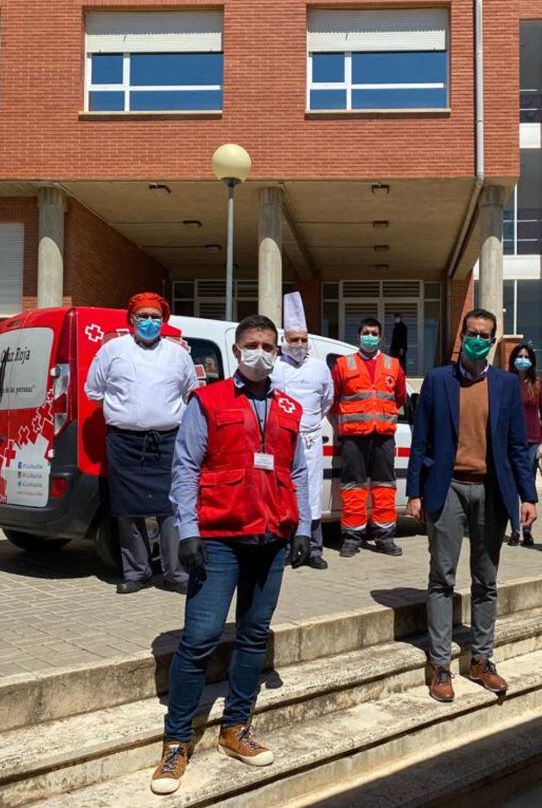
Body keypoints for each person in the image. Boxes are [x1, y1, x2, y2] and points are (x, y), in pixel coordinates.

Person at [152, 314, 311, 795]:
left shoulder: (288, 407)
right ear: (237, 350)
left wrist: (303, 528)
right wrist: (188, 530)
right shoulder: (208, 400)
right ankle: (177, 740)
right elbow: (185, 466)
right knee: (199, 638)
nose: (260, 352)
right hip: (218, 538)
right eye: (251, 344)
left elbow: (298, 472)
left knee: (254, 634)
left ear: (277, 351)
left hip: (272, 538)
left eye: (268, 345)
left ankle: (235, 727)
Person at [407, 309, 538, 702]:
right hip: (447, 487)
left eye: (486, 335)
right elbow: (421, 441)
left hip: (492, 491)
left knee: (486, 580)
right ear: (461, 337)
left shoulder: (505, 385)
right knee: (441, 577)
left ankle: (481, 659)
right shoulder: (436, 380)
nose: (478, 339)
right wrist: (414, 492)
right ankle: (440, 664)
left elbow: (517, 445)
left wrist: (528, 494)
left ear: (494, 341)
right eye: (472, 333)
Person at [85, 292, 196, 594]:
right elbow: (94, 392)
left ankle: (177, 574)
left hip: (168, 441)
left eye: (155, 317)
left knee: (172, 508)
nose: (149, 322)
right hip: (124, 442)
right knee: (127, 510)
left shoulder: (178, 355)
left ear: (164, 320)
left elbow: (191, 392)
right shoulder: (112, 350)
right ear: (131, 320)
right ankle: (137, 573)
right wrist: (126, 416)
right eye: (143, 317)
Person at [332, 317, 407, 558]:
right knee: (353, 486)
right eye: (366, 332)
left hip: (383, 436)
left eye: (374, 333)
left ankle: (384, 537)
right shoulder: (343, 365)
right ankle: (352, 538)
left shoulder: (393, 365)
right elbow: (333, 399)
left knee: (385, 486)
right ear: (358, 335)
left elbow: (399, 397)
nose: (370, 336)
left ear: (381, 337)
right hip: (354, 437)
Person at [271, 292, 333, 570]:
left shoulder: (320, 368)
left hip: (309, 438)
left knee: (312, 493)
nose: (299, 344)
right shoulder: (273, 366)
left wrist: (309, 423)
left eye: (303, 339)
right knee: (285, 493)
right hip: (282, 440)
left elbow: (326, 401)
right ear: (284, 342)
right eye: (293, 339)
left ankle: (314, 549)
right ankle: (286, 547)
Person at [507, 342, 542, 547]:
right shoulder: (506, 382)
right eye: (519, 355)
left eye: (526, 356)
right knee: (511, 485)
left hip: (532, 442)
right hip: (511, 441)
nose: (522, 359)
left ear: (531, 361)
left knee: (526, 484)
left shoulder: (538, 384)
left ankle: (527, 529)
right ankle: (514, 528)